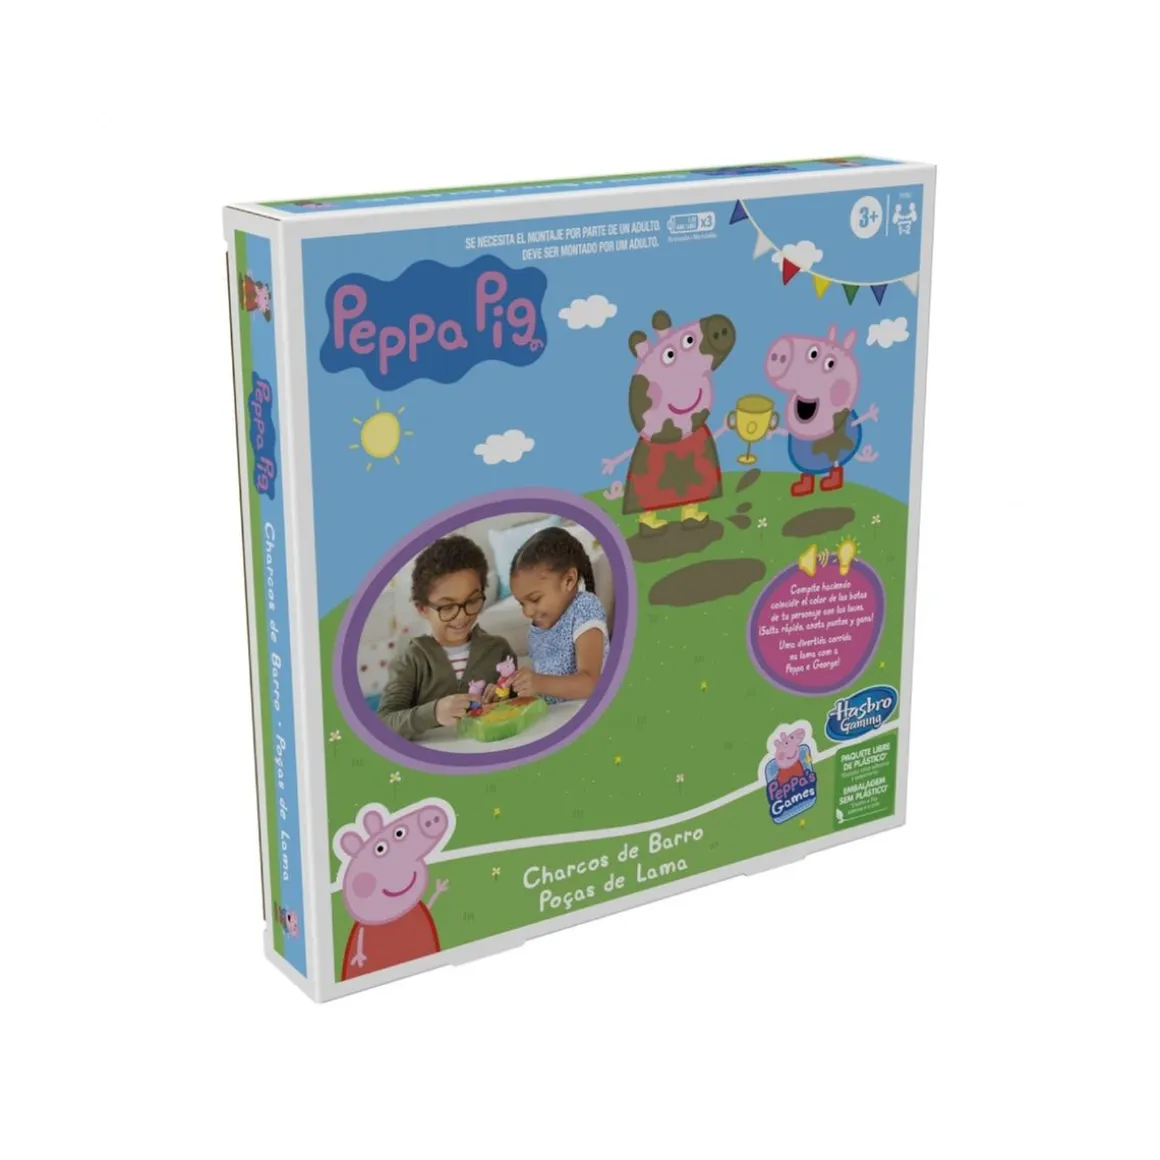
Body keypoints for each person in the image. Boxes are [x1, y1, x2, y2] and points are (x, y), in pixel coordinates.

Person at [377, 535, 513, 739]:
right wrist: (434, 713)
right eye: (447, 607)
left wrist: (506, 697)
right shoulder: (411, 660)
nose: (462, 616)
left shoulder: (499, 651)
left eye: (472, 601)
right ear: (422, 609)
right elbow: (383, 724)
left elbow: (519, 706)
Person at [508, 527, 608, 704]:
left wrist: (538, 682)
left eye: (535, 599)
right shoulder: (536, 630)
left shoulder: (584, 608)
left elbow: (592, 683)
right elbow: (547, 691)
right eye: (522, 603)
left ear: (569, 580)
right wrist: (513, 689)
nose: (527, 612)